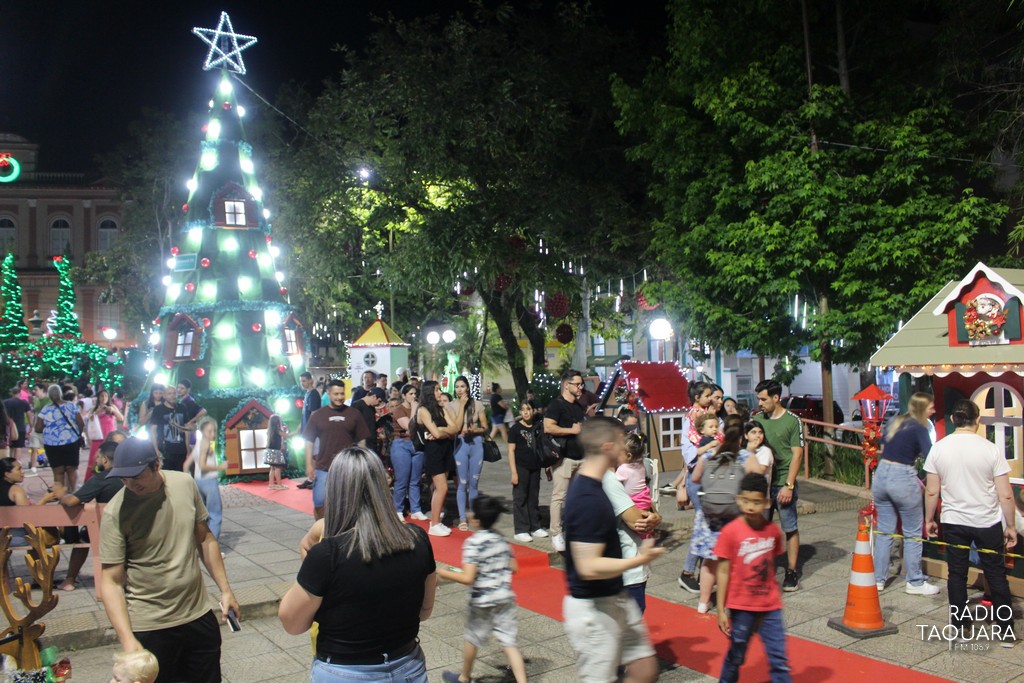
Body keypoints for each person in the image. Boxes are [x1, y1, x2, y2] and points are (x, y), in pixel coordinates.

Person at [278, 447, 438, 683]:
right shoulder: (417, 539)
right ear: (382, 487)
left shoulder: (328, 555)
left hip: (345, 672)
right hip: (408, 666)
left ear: (336, 490)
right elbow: (425, 612)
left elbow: (291, 623)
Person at [99, 438, 239, 683]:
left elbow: (205, 539)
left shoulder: (184, 484)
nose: (131, 484)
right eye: (123, 479)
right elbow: (110, 582)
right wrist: (128, 639)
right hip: (151, 624)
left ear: (156, 465)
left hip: (198, 614)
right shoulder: (116, 512)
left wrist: (226, 591)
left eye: (137, 476)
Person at [562, 416, 662, 683]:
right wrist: (638, 559)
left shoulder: (598, 485)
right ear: (607, 447)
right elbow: (588, 566)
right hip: (593, 609)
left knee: (644, 670)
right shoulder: (587, 497)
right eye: (620, 441)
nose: (625, 446)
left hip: (614, 596)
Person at [924, 399, 1017, 647]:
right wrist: (1010, 525)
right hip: (987, 521)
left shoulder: (939, 448)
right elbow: (1005, 494)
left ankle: (961, 626)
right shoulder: (990, 449)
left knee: (957, 574)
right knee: (996, 574)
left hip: (954, 521)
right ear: (977, 421)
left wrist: (929, 519)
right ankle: (1005, 630)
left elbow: (932, 491)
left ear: (954, 420)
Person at [438, 495, 527, 683]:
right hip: (505, 597)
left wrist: (443, 572)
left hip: (482, 601)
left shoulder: (473, 543)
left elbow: (468, 577)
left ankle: (464, 678)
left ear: (475, 520)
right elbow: (514, 567)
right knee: (509, 642)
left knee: (472, 637)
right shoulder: (501, 539)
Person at [714, 473, 791, 683]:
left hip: (769, 605)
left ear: (766, 503)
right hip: (741, 606)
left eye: (756, 502)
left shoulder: (772, 532)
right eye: (746, 501)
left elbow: (772, 564)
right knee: (736, 655)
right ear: (738, 499)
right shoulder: (730, 532)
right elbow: (722, 571)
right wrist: (721, 609)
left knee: (779, 657)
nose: (750, 507)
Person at [872, 392, 940, 595]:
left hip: (882, 475)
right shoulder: (920, 427)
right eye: (930, 407)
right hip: (902, 476)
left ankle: (878, 579)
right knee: (912, 533)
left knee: (885, 531)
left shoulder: (895, 421)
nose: (933, 410)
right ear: (922, 409)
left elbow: (885, 447)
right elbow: (931, 457)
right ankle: (915, 581)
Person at [690, 422, 748, 613]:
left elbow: (695, 478)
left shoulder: (709, 455)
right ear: (742, 437)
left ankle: (703, 602)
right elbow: (757, 478)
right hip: (734, 515)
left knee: (709, 560)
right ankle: (733, 600)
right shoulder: (746, 457)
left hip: (710, 516)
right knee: (734, 560)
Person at [602, 434, 663, 614]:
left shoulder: (619, 473)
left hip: (633, 559)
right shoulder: (611, 480)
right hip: (626, 563)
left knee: (634, 612)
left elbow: (647, 516)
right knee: (633, 613)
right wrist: (654, 518)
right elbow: (638, 522)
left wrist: (655, 517)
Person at [54, 439, 125, 590]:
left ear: (105, 459)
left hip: (108, 530)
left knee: (83, 537)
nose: (96, 459)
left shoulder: (102, 478)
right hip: (133, 526)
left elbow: (72, 501)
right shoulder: (130, 475)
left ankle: (69, 580)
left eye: (98, 456)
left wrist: (61, 495)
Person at [754, 379, 804, 592]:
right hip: (762, 484)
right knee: (760, 529)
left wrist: (789, 485)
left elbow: (797, 453)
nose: (760, 403)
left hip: (782, 482)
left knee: (789, 527)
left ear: (776, 398)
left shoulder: (793, 421)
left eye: (763, 399)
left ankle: (791, 571)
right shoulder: (757, 419)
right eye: (758, 399)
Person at [303, 379, 372, 520]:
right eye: (336, 394)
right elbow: (308, 442)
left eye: (342, 394)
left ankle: (344, 531)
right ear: (328, 393)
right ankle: (321, 531)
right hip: (323, 466)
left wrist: (362, 463)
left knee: (347, 504)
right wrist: (309, 464)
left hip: (348, 467)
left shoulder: (354, 414)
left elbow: (361, 441)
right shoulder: (317, 415)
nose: (339, 397)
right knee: (319, 502)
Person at [416, 380, 465, 536]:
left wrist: (442, 429)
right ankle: (434, 523)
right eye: (437, 390)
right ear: (430, 392)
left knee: (440, 489)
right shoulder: (423, 410)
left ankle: (436, 521)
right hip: (433, 452)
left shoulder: (441, 408)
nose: (439, 392)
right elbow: (435, 434)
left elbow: (455, 428)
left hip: (445, 449)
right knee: (442, 487)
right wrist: (444, 431)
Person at [545, 369, 586, 553]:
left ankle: (574, 530)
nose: (580, 387)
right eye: (577, 384)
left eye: (581, 384)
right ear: (566, 384)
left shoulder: (578, 406)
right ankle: (556, 533)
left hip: (581, 457)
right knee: (559, 496)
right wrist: (572, 431)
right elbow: (548, 427)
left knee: (576, 497)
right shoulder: (556, 405)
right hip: (563, 458)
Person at [452, 375, 488, 532]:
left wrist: (475, 430)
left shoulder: (478, 404)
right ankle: (462, 518)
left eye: (462, 386)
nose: (459, 389)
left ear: (467, 387)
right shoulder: (451, 405)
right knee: (462, 483)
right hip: (460, 444)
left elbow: (485, 426)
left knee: (474, 483)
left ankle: (473, 514)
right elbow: (452, 426)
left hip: (476, 444)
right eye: (457, 386)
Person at [35, 384, 86, 493]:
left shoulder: (46, 410)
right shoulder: (71, 406)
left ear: (49, 396)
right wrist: (77, 435)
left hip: (52, 445)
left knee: (58, 472)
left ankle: (60, 497)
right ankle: (74, 493)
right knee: (72, 469)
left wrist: (51, 427)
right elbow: (81, 423)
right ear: (60, 394)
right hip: (71, 442)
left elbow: (38, 428)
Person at [507, 400, 546, 543]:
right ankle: (521, 529)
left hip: (535, 467)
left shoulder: (537, 427)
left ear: (533, 410)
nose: (525, 412)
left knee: (533, 497)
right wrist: (514, 472)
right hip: (521, 467)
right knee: (520, 498)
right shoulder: (515, 429)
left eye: (528, 409)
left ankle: (535, 526)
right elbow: (511, 451)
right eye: (523, 409)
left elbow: (542, 447)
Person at [183, 416, 226, 539]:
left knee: (202, 515)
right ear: (202, 431)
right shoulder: (206, 444)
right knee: (215, 514)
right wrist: (220, 467)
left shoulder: (199, 443)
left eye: (214, 431)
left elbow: (186, 465)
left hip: (198, 482)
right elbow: (202, 465)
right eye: (209, 431)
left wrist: (189, 481)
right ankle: (212, 547)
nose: (213, 434)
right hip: (209, 482)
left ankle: (202, 545)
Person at [0, 457, 58, 546]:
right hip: (12, 536)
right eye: (19, 469)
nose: (22, 472)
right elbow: (27, 518)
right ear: (7, 474)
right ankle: (36, 560)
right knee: (49, 535)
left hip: (5, 534)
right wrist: (44, 500)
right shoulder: (15, 490)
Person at [392, 384, 428, 521]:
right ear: (403, 395)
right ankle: (398, 509)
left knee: (415, 480)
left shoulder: (420, 410)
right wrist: (413, 410)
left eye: (415, 394)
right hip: (402, 445)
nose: (413, 396)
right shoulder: (398, 410)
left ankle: (416, 509)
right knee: (402, 479)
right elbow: (409, 427)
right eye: (410, 394)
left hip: (417, 446)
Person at [616, 433, 653, 536]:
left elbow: (613, 483)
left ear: (628, 456)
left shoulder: (623, 469)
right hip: (645, 499)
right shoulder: (641, 465)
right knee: (644, 524)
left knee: (635, 526)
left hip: (634, 502)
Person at [85, 389, 124, 481]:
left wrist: (113, 410)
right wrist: (97, 412)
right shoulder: (94, 408)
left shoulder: (112, 407)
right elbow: (89, 421)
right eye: (101, 396)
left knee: (111, 457)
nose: (103, 398)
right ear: (98, 397)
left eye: (106, 396)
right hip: (97, 437)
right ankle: (93, 480)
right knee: (95, 458)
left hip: (109, 436)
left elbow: (121, 418)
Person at [148, 391, 189, 472]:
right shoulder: (158, 409)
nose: (172, 396)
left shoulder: (182, 408)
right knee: (166, 475)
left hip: (181, 450)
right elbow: (153, 431)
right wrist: (156, 449)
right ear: (164, 396)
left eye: (174, 393)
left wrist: (188, 450)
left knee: (179, 476)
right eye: (169, 393)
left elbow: (187, 429)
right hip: (165, 450)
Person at [296, 372, 322, 491]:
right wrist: (300, 426)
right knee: (310, 455)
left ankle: (316, 478)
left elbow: (314, 413)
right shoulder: (307, 394)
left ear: (311, 380)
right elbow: (304, 413)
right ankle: (311, 478)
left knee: (315, 455)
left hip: (313, 430)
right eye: (301, 381)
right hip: (307, 429)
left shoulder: (314, 394)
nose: (302, 383)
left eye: (304, 381)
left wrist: (309, 428)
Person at [4, 387, 33, 465]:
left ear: (11, 393)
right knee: (18, 447)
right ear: (20, 393)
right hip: (20, 428)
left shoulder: (5, 402)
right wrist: (31, 425)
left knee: (10, 447)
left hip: (8, 428)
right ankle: (17, 464)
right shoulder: (24, 403)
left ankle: (9, 464)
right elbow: (29, 414)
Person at [353, 387, 386, 455]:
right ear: (374, 397)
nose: (378, 404)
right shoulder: (357, 406)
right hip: (362, 445)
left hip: (372, 444)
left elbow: (371, 425)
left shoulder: (371, 408)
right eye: (379, 401)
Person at [263, 414, 290, 491]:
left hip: (269, 451)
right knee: (278, 468)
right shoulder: (278, 431)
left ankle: (271, 484)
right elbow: (288, 435)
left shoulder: (270, 430)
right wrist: (297, 432)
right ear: (277, 422)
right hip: (275, 452)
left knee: (272, 468)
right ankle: (279, 484)